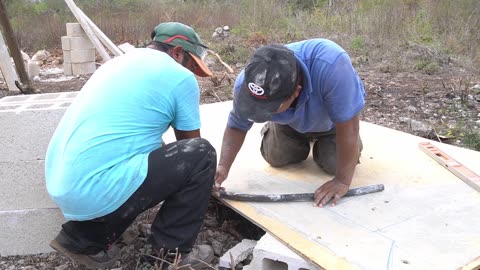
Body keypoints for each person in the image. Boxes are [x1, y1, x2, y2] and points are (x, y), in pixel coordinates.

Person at [45, 22, 217, 269]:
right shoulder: (179, 77)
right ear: (177, 52)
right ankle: (169, 254)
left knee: (157, 152)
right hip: (96, 190)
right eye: (191, 64)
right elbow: (190, 145)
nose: (191, 72)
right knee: (202, 155)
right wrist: (209, 184)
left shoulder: (116, 64)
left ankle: (84, 237)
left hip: (65, 186)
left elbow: (147, 145)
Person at [214, 40, 365, 207]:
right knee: (276, 156)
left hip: (331, 125)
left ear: (296, 92)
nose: (260, 112)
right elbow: (236, 125)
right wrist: (223, 167)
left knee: (334, 163)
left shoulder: (332, 64)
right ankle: (283, 131)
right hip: (290, 124)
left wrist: (342, 181)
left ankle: (335, 143)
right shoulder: (249, 82)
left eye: (267, 109)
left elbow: (349, 127)